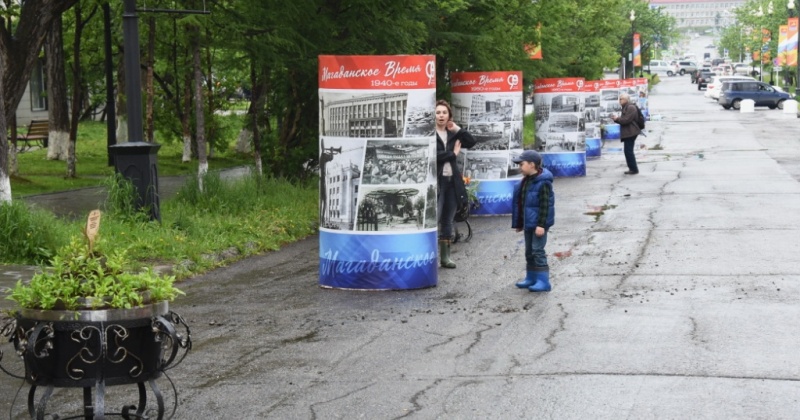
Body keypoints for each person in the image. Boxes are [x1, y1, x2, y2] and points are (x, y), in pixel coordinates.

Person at [435, 99, 476, 268]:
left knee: (447, 219)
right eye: (438, 112)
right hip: (437, 182)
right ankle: (429, 255)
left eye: (444, 112)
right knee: (434, 217)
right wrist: (453, 154)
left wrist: (457, 129)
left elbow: (471, 142)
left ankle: (445, 257)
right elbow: (434, 156)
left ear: (449, 116)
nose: (441, 115)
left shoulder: (453, 133)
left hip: (452, 182)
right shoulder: (430, 135)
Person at [511, 150, 555, 292]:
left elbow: (544, 206)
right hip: (529, 223)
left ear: (532, 165)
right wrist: (520, 223)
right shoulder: (525, 181)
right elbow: (522, 204)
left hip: (538, 225)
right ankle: (531, 277)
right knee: (529, 251)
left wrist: (541, 225)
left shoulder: (543, 183)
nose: (519, 167)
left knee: (537, 250)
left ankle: (543, 281)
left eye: (521, 164)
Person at [611, 92, 642, 175]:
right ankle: (632, 168)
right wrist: (617, 119)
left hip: (631, 132)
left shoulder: (630, 107)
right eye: (619, 99)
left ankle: (634, 169)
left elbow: (626, 120)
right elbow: (625, 120)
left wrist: (617, 119)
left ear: (626, 99)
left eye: (621, 99)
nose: (619, 100)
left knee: (628, 151)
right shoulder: (626, 107)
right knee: (627, 151)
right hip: (629, 132)